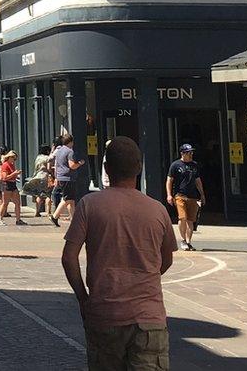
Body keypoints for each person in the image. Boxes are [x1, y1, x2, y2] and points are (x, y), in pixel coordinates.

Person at [62, 136, 177, 370]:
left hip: (105, 314)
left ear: (106, 168)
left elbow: (68, 257)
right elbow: (166, 260)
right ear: (139, 167)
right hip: (149, 318)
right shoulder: (158, 210)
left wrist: (83, 298)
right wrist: (144, 276)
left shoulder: (89, 205)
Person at [165, 143, 206, 251]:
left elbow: (198, 180)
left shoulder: (194, 165)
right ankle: (183, 240)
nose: (191, 154)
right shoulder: (175, 165)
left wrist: (202, 194)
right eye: (188, 152)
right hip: (180, 195)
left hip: (192, 196)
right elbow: (169, 180)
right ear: (182, 153)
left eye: (191, 152)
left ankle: (188, 241)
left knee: (190, 220)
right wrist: (169, 195)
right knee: (182, 217)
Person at [50, 134, 85, 227]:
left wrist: (56, 177)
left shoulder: (59, 151)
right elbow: (72, 165)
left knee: (70, 200)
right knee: (68, 199)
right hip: (68, 178)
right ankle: (55, 216)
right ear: (70, 142)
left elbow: (56, 165)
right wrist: (80, 163)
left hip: (61, 177)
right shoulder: (70, 152)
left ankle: (71, 220)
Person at [22, 145, 53, 217]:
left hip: (37, 176)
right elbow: (49, 168)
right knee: (48, 194)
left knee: (39, 195)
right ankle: (48, 212)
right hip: (45, 177)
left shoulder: (38, 158)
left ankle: (37, 212)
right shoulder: (47, 158)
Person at [0, 151, 25, 226]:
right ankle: (0, 219)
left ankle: (18, 219)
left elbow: (12, 176)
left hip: (13, 184)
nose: (14, 159)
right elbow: (4, 177)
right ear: (9, 157)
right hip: (7, 185)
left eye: (15, 158)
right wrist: (14, 174)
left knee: (17, 202)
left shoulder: (12, 165)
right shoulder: (5, 165)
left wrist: (16, 175)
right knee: (5, 203)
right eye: (13, 157)